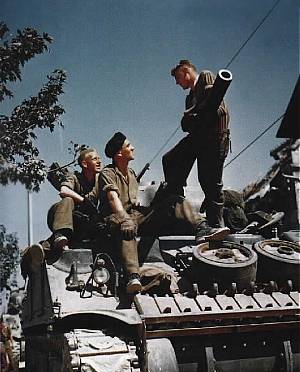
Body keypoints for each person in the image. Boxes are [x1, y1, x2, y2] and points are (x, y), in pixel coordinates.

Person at [99, 132, 230, 294]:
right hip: (115, 218)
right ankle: (133, 275)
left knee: (173, 201)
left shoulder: (131, 173)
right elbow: (112, 197)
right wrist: (124, 218)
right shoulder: (108, 173)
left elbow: (135, 201)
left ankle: (202, 228)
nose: (132, 147)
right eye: (128, 146)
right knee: (126, 228)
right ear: (119, 153)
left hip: (135, 215)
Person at [162, 59, 231, 228]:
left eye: (178, 78)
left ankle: (216, 225)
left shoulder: (205, 78)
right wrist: (192, 115)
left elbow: (216, 107)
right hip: (199, 138)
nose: (177, 83)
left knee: (211, 181)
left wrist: (192, 113)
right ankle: (176, 199)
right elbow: (186, 126)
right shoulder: (190, 98)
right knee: (170, 159)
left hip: (216, 137)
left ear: (187, 71)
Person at [21, 148, 102, 277]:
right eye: (94, 159)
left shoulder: (100, 180)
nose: (99, 161)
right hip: (62, 213)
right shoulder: (75, 177)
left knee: (59, 246)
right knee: (68, 200)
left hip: (80, 223)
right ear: (85, 164)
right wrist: (83, 201)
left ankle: (32, 253)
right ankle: (59, 234)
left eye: (99, 158)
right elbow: (64, 190)